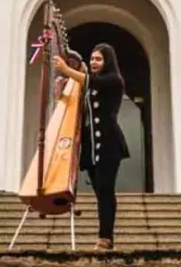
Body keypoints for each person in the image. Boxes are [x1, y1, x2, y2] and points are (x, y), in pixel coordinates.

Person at [53, 44, 129, 250]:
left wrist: (67, 69)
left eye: (99, 59)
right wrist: (61, 92)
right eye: (92, 59)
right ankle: (105, 236)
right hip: (92, 147)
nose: (94, 62)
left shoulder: (114, 81)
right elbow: (79, 109)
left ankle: (105, 237)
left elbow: (93, 81)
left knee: (106, 190)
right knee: (100, 192)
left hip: (109, 144)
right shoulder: (90, 87)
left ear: (108, 61)